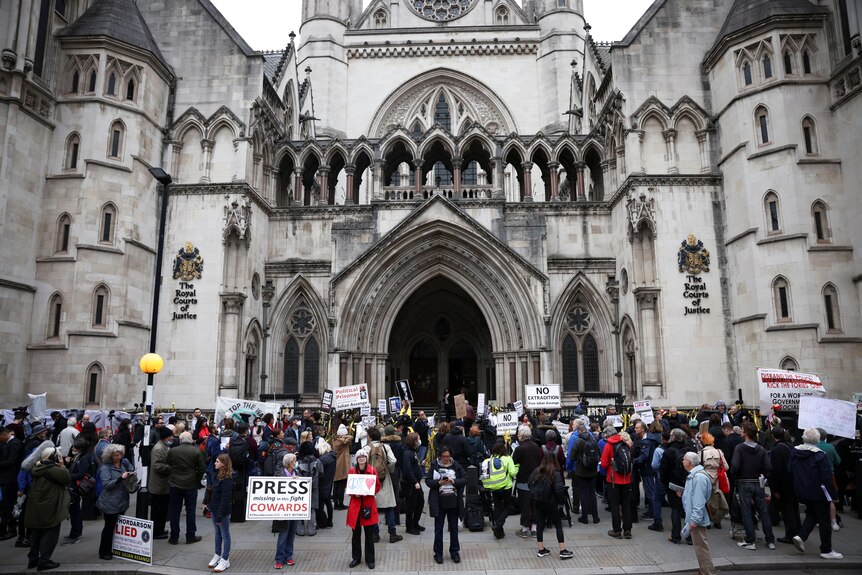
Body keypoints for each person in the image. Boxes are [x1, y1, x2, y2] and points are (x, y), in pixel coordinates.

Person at [790, 428, 843, 560]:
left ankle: (801, 536)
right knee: (824, 520)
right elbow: (827, 477)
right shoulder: (820, 455)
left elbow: (789, 469)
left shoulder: (795, 452)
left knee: (812, 514)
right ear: (818, 439)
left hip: (801, 490)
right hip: (819, 492)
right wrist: (833, 496)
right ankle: (826, 549)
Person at [731, 422, 775, 551]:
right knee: (763, 511)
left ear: (744, 432)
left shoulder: (739, 448)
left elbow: (734, 466)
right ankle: (770, 540)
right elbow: (768, 467)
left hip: (744, 481)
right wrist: (762, 474)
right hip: (758, 481)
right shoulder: (761, 449)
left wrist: (736, 476)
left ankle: (751, 540)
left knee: (746, 511)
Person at [23, 446, 68, 572]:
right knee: (50, 534)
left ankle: (33, 559)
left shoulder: (37, 467)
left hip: (37, 505)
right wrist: (62, 465)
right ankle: (44, 561)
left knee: (37, 533)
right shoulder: (53, 470)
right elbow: (66, 477)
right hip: (50, 506)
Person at [529, 451, 573, 559]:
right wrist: (560, 501)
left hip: (538, 501)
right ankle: (562, 550)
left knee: (540, 525)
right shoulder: (555, 472)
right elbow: (559, 489)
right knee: (558, 525)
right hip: (551, 502)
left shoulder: (537, 471)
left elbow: (529, 483)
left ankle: (541, 549)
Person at [426, 445, 465, 565]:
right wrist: (439, 483)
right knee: (438, 529)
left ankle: (454, 552)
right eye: (443, 457)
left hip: (453, 502)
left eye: (448, 456)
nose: (446, 459)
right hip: (439, 502)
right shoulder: (435, 465)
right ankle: (438, 553)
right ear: (439, 456)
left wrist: (454, 481)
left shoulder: (456, 465)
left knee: (453, 529)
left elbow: (465, 479)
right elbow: (428, 481)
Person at [96, 444, 134, 561]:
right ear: (110, 456)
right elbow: (106, 485)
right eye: (116, 455)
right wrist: (120, 478)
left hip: (122, 500)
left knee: (118, 526)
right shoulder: (105, 468)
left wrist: (130, 472)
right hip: (110, 502)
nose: (119, 457)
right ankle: (104, 551)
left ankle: (116, 548)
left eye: (120, 454)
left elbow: (131, 469)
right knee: (109, 527)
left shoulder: (124, 462)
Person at [166, 431, 205, 545]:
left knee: (175, 511)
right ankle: (190, 535)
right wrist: (197, 479)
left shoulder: (173, 451)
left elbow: (168, 463)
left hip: (175, 483)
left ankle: (174, 537)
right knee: (190, 510)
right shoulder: (196, 451)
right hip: (190, 484)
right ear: (191, 439)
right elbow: (202, 468)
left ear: (181, 440)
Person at [680, 452, 716, 575]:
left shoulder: (698, 477)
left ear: (689, 462)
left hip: (696, 518)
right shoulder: (695, 475)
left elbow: (699, 501)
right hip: (695, 517)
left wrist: (694, 520)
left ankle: (708, 572)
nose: (682, 461)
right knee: (699, 547)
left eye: (684, 459)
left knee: (701, 548)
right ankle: (704, 570)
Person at [366, 427, 401, 543]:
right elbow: (394, 460)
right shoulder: (386, 447)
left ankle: (375, 534)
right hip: (385, 480)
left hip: (371, 481)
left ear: (369, 437)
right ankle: (392, 534)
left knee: (373, 507)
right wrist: (387, 471)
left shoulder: (366, 448)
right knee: (389, 507)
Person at [346, 449, 380, 569]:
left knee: (369, 534)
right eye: (359, 457)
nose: (361, 458)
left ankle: (370, 559)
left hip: (368, 505)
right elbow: (349, 488)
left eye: (363, 456)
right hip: (356, 506)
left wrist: (369, 492)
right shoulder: (352, 471)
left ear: (366, 458)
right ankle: (356, 558)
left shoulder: (372, 471)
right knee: (356, 534)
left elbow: (377, 486)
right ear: (356, 459)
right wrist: (355, 494)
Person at [600, 426, 633, 539]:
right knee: (626, 505)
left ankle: (617, 530)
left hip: (613, 479)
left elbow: (604, 463)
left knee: (615, 506)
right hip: (627, 479)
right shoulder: (625, 443)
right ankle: (628, 530)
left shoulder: (609, 445)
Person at [511, 426, 542, 538]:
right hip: (535, 480)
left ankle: (524, 529)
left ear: (523, 436)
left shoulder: (519, 449)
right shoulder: (536, 446)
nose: (518, 436)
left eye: (519, 434)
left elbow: (513, 463)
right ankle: (534, 528)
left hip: (523, 480)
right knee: (534, 505)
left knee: (525, 505)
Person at [483, 440, 518, 539]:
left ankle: (499, 532)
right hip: (506, 486)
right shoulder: (507, 458)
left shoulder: (492, 458)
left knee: (497, 508)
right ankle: (498, 525)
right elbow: (512, 473)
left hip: (494, 486)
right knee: (508, 506)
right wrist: (517, 467)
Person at [274, 453, 301, 568]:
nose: (296, 462)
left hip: (294, 508)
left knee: (291, 534)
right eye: (295, 460)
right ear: (290, 463)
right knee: (283, 534)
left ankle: (289, 556)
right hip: (283, 509)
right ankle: (279, 558)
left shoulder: (297, 473)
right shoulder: (280, 475)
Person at [208, 454, 234, 573]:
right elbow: (214, 492)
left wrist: (219, 514)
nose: (215, 463)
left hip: (221, 511)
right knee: (218, 533)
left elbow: (225, 498)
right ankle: (217, 554)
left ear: (223, 463)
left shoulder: (227, 479)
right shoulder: (218, 475)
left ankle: (225, 558)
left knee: (225, 534)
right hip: (214, 509)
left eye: (217, 461)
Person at [698, 431, 728, 529]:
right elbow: (726, 466)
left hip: (705, 478)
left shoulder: (701, 453)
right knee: (716, 499)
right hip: (717, 479)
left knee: (705, 500)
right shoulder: (719, 452)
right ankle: (717, 521)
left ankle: (707, 521)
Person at [149, 426, 173, 539]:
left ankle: (160, 529)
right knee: (157, 511)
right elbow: (157, 466)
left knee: (162, 510)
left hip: (163, 485)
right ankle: (156, 532)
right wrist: (171, 468)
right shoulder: (158, 448)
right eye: (170, 436)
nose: (172, 438)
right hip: (158, 486)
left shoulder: (164, 446)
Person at [0, 426, 24, 541]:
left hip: (10, 478)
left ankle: (11, 529)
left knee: (8, 504)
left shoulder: (14, 443)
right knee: (5, 505)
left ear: (4, 435)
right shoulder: (9, 443)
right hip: (6, 478)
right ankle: (5, 528)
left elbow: (12, 461)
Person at [401, 432, 425, 535]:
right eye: (417, 439)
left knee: (420, 503)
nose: (419, 441)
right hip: (411, 484)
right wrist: (414, 481)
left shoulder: (413, 452)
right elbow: (407, 469)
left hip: (416, 482)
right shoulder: (407, 453)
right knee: (411, 505)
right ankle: (409, 526)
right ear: (413, 441)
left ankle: (415, 523)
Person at [331, 424, 352, 510]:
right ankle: (340, 503)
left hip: (337, 465)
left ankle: (337, 503)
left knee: (336, 485)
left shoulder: (335, 441)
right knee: (341, 486)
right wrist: (346, 436)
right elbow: (350, 438)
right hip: (342, 465)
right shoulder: (341, 442)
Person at [317, 441, 337, 529]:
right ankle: (330, 521)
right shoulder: (332, 457)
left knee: (320, 505)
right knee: (328, 503)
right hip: (328, 483)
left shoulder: (322, 460)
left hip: (322, 484)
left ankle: (322, 522)